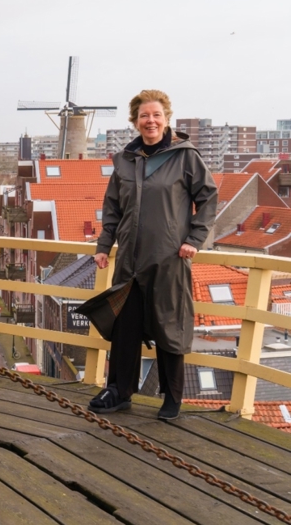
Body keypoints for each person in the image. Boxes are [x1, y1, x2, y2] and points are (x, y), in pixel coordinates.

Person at [84, 89, 217, 420]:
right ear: (135, 122)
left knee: (169, 325)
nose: (151, 121)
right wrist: (104, 245)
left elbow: (209, 197)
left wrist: (195, 238)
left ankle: (172, 397)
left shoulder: (185, 157)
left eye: (157, 115)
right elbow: (112, 207)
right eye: (144, 116)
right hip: (129, 260)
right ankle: (119, 391)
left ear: (167, 119)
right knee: (124, 326)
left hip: (168, 258)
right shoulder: (125, 161)